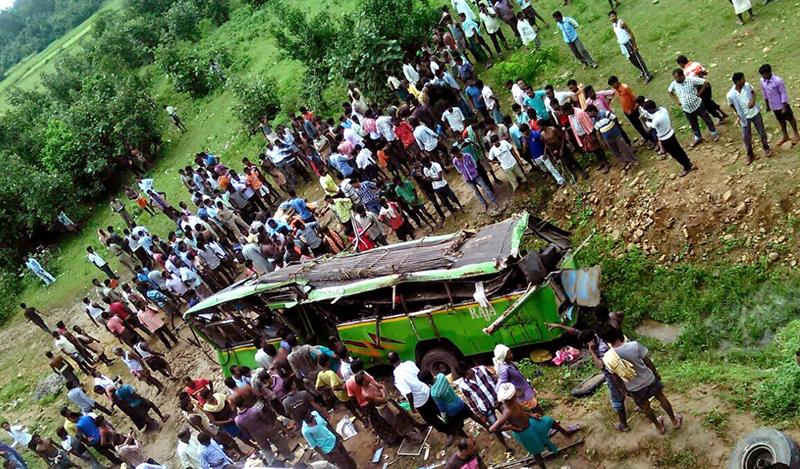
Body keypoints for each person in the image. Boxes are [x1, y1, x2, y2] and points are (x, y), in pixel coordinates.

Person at [599, 325, 683, 434]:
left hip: (634, 387)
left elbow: (615, 377)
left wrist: (623, 389)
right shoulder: (634, 345)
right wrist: (655, 373)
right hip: (649, 379)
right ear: (617, 333)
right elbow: (647, 361)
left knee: (645, 407)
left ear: (606, 340)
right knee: (661, 398)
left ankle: (659, 427)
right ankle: (674, 420)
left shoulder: (607, 358)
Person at [491, 383, 580, 467]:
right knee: (536, 452)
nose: (516, 394)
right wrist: (510, 427)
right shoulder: (507, 412)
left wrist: (531, 415)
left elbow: (521, 412)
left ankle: (566, 433)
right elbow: (493, 429)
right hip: (524, 433)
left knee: (549, 421)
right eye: (514, 393)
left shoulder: (514, 402)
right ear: (510, 397)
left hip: (530, 423)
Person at [388, 352, 450, 435]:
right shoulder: (409, 363)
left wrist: (412, 407)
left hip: (420, 402)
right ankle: (454, 426)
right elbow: (420, 375)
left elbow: (409, 394)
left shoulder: (398, 378)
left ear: (390, 362)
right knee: (440, 411)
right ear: (399, 357)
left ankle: (449, 432)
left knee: (432, 420)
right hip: (427, 391)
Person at [230, 386, 294, 465]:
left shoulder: (237, 420)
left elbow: (244, 431)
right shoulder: (254, 410)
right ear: (244, 401)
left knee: (266, 450)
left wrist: (251, 437)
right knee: (279, 442)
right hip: (267, 428)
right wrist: (270, 424)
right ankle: (290, 457)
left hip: (257, 435)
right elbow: (264, 418)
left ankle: (274, 464)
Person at [641, 100, 696, 176]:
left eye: (648, 111)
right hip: (671, 133)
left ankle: (687, 167)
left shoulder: (656, 119)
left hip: (665, 139)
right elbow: (653, 116)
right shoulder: (663, 110)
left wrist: (643, 122)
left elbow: (648, 130)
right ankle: (688, 162)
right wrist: (647, 117)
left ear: (651, 109)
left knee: (675, 154)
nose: (648, 112)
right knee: (679, 149)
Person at [668, 68, 720, 147]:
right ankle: (698, 137)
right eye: (675, 78)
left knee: (706, 119)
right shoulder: (674, 84)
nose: (676, 80)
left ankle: (714, 133)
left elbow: (705, 82)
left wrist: (699, 93)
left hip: (697, 105)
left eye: (677, 78)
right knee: (693, 123)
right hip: (686, 109)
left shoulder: (691, 80)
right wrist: (677, 101)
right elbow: (670, 92)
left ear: (682, 75)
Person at [727, 72, 770, 164]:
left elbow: (753, 93)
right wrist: (737, 114)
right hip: (744, 118)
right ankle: (750, 154)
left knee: (762, 132)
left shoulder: (747, 86)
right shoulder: (731, 95)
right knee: (746, 137)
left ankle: (766, 148)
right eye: (743, 79)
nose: (745, 80)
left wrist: (753, 101)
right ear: (737, 81)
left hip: (755, 113)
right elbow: (731, 105)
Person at [607, 76, 655, 147]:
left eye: (612, 84)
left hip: (634, 111)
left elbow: (635, 99)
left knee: (641, 125)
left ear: (616, 82)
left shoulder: (625, 88)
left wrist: (633, 110)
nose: (612, 86)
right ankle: (645, 138)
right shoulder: (617, 89)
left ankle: (652, 140)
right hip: (627, 112)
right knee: (636, 126)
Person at [759, 63, 800, 145]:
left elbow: (783, 93)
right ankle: (785, 136)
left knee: (790, 119)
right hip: (774, 106)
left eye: (763, 74)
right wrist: (767, 106)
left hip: (782, 105)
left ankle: (796, 134)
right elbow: (765, 94)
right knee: (781, 121)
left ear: (768, 72)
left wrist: (784, 107)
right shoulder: (762, 81)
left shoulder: (778, 81)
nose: (762, 76)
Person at [586, 105, 638, 169]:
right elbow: (598, 130)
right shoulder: (594, 121)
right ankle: (623, 162)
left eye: (588, 113)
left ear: (593, 111)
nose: (588, 115)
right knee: (615, 150)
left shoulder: (604, 113)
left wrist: (619, 128)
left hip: (615, 133)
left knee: (624, 147)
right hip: (607, 138)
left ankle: (633, 160)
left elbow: (614, 118)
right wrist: (602, 140)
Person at [493, 344, 540, 411]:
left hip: (525, 389)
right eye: (509, 354)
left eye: (510, 352)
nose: (512, 355)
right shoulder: (504, 369)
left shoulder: (510, 363)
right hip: (523, 395)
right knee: (537, 409)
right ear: (504, 357)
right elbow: (500, 386)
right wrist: (514, 392)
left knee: (536, 409)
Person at [608, 11, 652, 82]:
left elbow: (630, 33)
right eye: (610, 17)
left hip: (629, 43)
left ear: (616, 15)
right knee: (632, 60)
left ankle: (648, 74)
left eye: (613, 16)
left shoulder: (622, 23)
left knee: (637, 59)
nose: (612, 18)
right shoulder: (614, 25)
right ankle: (642, 71)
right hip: (623, 45)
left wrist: (634, 45)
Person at [452, 146, 498, 211]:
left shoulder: (468, 156)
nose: (455, 155)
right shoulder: (455, 161)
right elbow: (459, 170)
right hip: (468, 179)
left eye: (456, 154)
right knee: (477, 192)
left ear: (458, 151)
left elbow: (475, 165)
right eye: (454, 154)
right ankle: (484, 204)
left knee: (486, 188)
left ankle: (494, 201)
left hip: (476, 176)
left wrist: (473, 171)